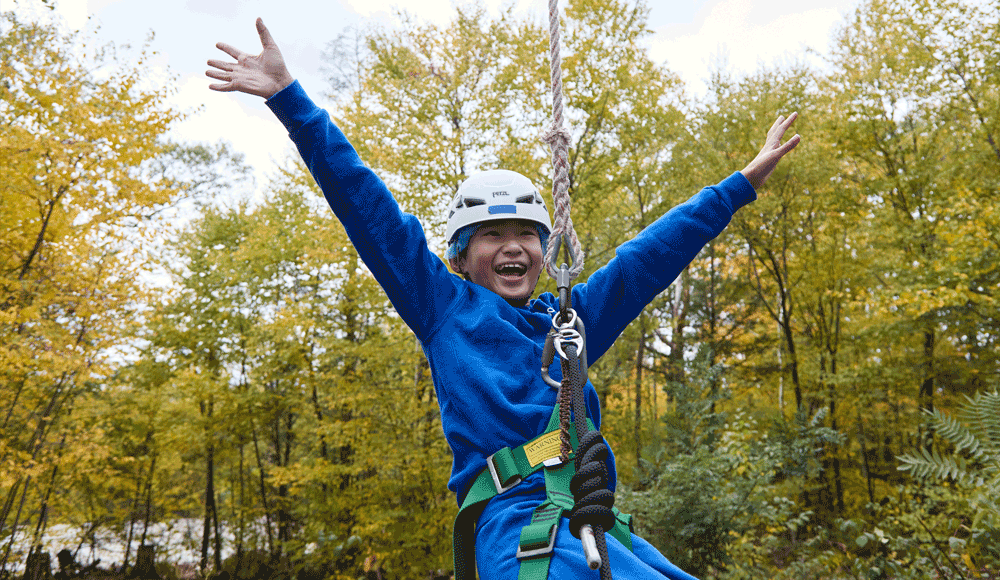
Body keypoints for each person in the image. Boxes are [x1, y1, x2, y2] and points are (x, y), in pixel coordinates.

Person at [207, 18, 800, 580]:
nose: (513, 248)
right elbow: (367, 206)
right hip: (514, 527)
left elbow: (647, 259)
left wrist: (739, 186)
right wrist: (290, 100)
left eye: (527, 236)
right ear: (460, 258)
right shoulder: (444, 309)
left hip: (588, 521)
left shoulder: (569, 322)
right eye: (492, 235)